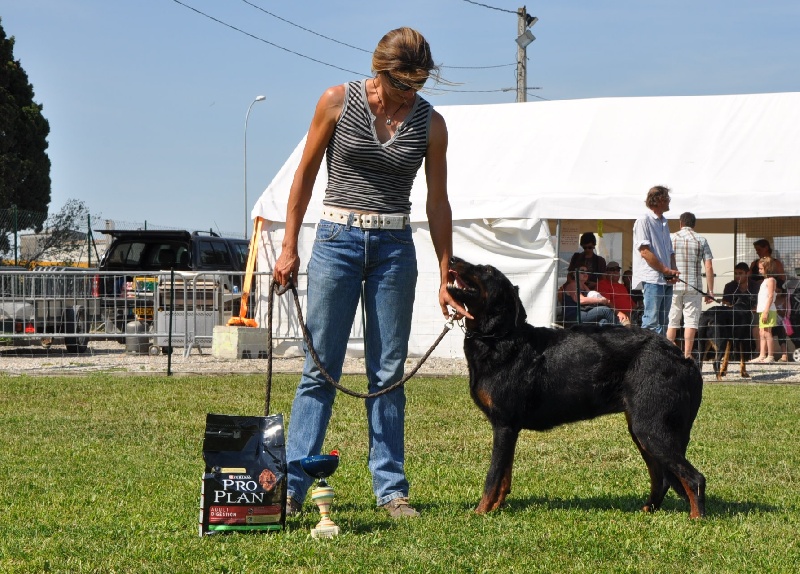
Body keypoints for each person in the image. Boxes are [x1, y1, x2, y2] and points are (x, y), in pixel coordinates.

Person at [272, 27, 469, 519]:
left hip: (394, 248)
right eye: (404, 83)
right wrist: (288, 245)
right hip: (336, 240)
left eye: (420, 83)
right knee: (320, 368)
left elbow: (437, 200)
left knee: (388, 373)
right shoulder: (337, 101)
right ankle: (293, 488)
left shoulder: (432, 123)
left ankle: (391, 490)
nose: (412, 93)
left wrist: (447, 271)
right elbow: (305, 175)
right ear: (380, 71)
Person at [631, 185, 680, 335]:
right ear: (659, 200)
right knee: (651, 321)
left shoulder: (664, 222)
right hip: (652, 278)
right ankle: (646, 354)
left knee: (663, 321)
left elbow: (670, 252)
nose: (669, 201)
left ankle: (659, 353)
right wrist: (665, 270)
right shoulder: (643, 220)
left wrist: (672, 271)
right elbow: (645, 252)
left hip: (665, 279)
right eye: (667, 198)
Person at [666, 212, 715, 359]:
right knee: (691, 321)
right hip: (694, 286)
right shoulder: (701, 240)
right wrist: (710, 290)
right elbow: (709, 266)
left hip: (673, 284)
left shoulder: (670, 238)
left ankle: (669, 354)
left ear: (680, 223)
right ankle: (687, 355)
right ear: (694, 224)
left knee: (672, 320)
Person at [722, 262, 760, 356]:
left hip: (752, 314)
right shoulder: (729, 286)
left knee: (756, 322)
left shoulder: (756, 286)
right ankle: (725, 352)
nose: (737, 276)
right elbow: (725, 303)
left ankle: (758, 351)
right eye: (736, 273)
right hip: (734, 315)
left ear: (747, 273)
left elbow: (759, 304)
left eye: (740, 273)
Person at [749, 256, 778, 363]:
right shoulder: (765, 280)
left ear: (768, 268)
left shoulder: (771, 280)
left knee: (767, 332)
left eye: (761, 268)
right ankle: (762, 355)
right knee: (762, 332)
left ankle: (770, 356)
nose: (759, 270)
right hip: (763, 310)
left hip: (768, 310)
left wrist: (766, 310)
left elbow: (770, 296)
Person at [596, 261, 634, 326]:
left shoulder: (622, 286)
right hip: (616, 316)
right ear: (606, 272)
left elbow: (631, 302)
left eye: (617, 270)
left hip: (631, 315)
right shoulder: (602, 284)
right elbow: (606, 302)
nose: (615, 272)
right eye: (612, 270)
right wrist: (619, 313)